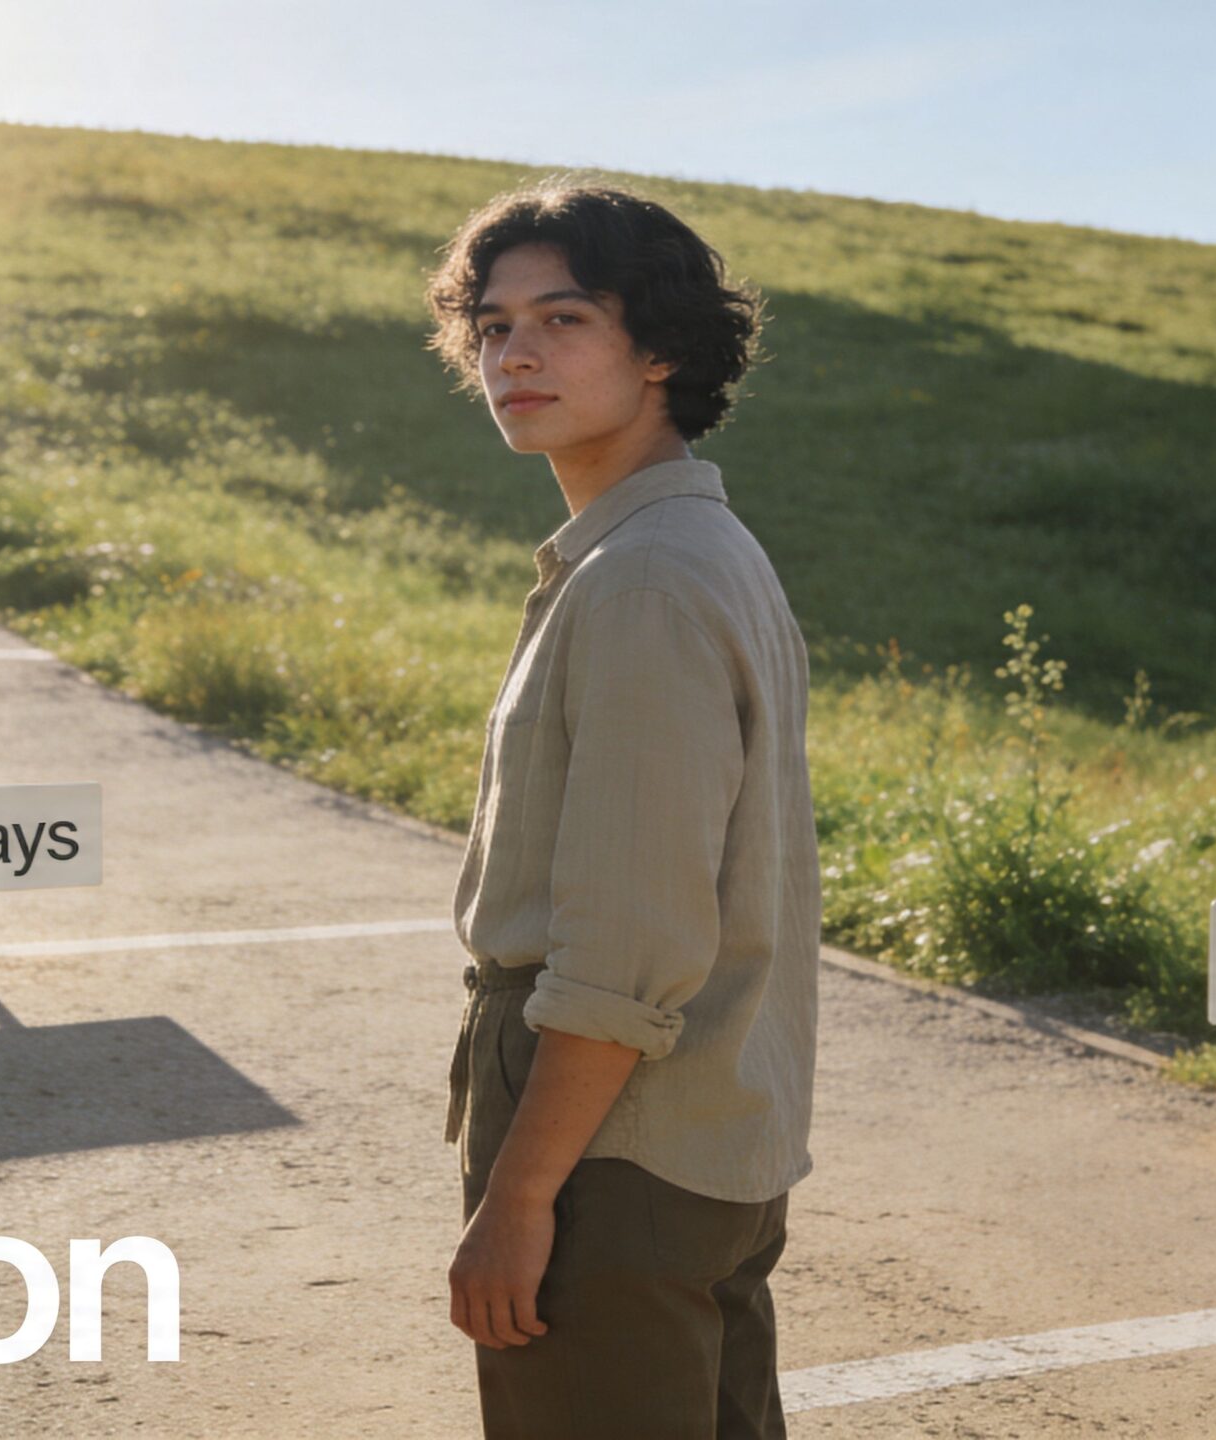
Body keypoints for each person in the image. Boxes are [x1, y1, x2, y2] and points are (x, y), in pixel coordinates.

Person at [425, 179, 822, 1440]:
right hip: (691, 1133)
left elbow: (630, 942)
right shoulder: (677, 549)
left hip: (614, 1150)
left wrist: (520, 1195)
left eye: (564, 318)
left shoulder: (644, 578)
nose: (514, 354)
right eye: (490, 327)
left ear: (660, 350)